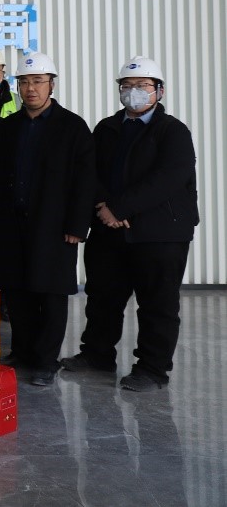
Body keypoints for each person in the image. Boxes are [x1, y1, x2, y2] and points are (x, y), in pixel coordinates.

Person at [62, 57, 199, 392]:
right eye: (127, 86)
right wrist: (104, 206)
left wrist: (120, 207)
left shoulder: (173, 131)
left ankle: (152, 369)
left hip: (160, 233)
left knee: (157, 304)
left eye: (142, 86)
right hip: (109, 230)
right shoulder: (107, 128)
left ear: (159, 91)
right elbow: (89, 171)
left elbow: (169, 178)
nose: (134, 92)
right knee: (102, 297)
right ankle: (97, 355)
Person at [0, 52, 94, 386]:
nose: (30, 88)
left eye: (37, 81)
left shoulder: (72, 127)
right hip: (12, 224)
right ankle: (22, 351)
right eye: (24, 82)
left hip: (54, 226)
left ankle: (46, 361)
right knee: (16, 290)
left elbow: (85, 180)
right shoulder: (8, 128)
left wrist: (77, 225)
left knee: (50, 293)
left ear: (52, 84)